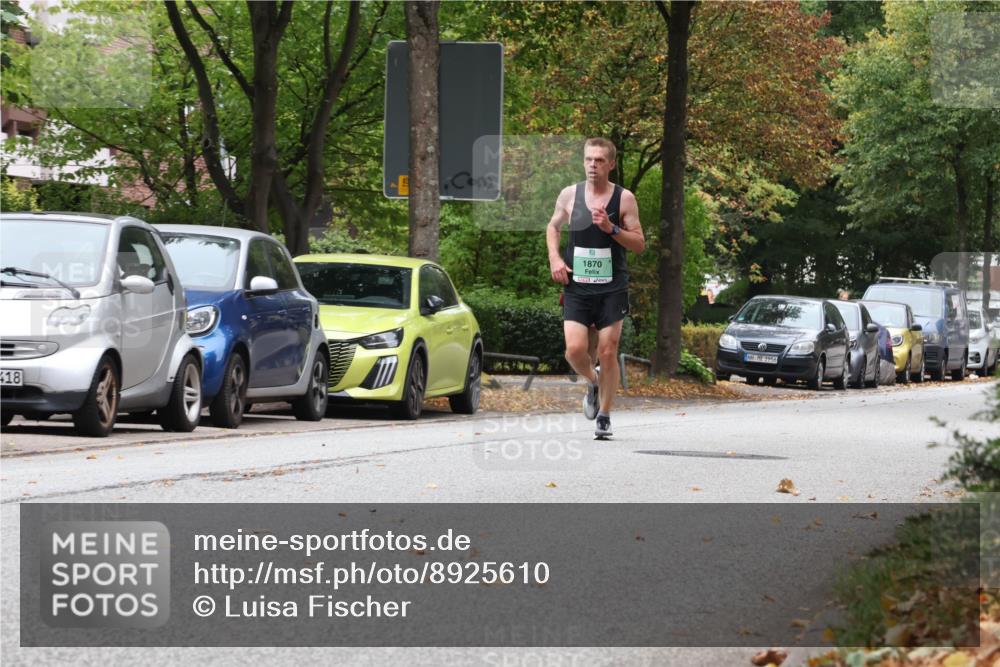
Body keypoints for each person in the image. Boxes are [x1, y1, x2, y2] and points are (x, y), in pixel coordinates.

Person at [546, 138, 645, 438]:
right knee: (574, 351)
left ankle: (604, 414)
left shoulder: (624, 199)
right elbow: (553, 227)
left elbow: (639, 244)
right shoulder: (570, 195)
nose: (593, 165)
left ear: (611, 164)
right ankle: (593, 381)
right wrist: (554, 258)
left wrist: (611, 229)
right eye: (589, 159)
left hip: (612, 287)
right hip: (577, 285)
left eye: (600, 160)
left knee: (607, 349)